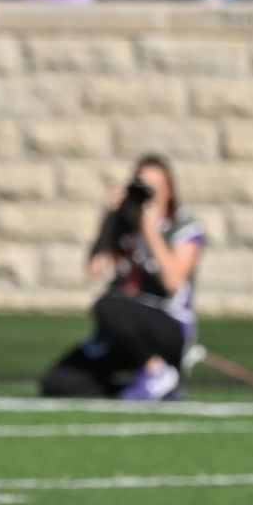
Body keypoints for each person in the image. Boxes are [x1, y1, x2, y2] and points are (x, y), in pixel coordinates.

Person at [41, 154, 205, 401]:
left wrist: (150, 229)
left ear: (168, 191)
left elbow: (173, 281)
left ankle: (156, 371)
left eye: (154, 188)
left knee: (108, 305)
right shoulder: (125, 224)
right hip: (122, 329)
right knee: (59, 382)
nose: (147, 195)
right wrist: (110, 216)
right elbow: (95, 269)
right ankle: (146, 389)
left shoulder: (183, 228)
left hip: (167, 327)